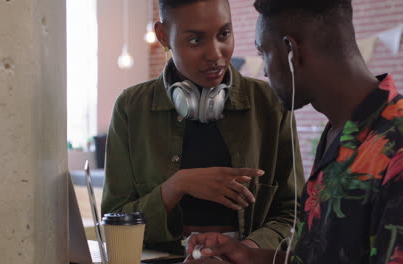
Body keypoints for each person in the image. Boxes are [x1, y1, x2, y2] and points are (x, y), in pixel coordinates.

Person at [186, 0, 403, 263]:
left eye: (264, 52)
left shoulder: (395, 148)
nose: (265, 70)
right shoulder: (340, 131)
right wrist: (249, 256)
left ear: (291, 51)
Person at [101, 0, 304, 254]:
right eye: (196, 40)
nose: (216, 54)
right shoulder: (131, 108)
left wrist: (245, 251)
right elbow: (115, 221)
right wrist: (176, 186)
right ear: (164, 36)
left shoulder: (271, 104)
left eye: (224, 34)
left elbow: (296, 213)